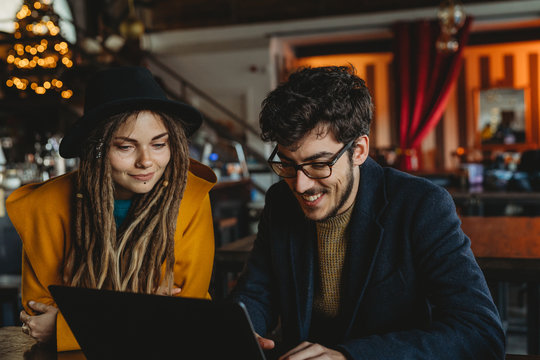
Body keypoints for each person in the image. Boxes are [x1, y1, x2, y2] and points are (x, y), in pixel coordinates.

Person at [230, 66, 504, 359]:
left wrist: (350, 357)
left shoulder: (421, 205)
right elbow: (257, 292)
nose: (300, 184)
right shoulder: (280, 200)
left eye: (319, 164)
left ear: (359, 150)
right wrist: (244, 331)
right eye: (287, 163)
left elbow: (480, 331)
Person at [7, 66, 217, 351]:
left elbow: (184, 314)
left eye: (159, 144)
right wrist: (144, 307)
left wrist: (69, 326)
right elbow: (38, 313)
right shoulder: (45, 205)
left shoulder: (190, 196)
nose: (146, 161)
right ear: (97, 148)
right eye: (126, 147)